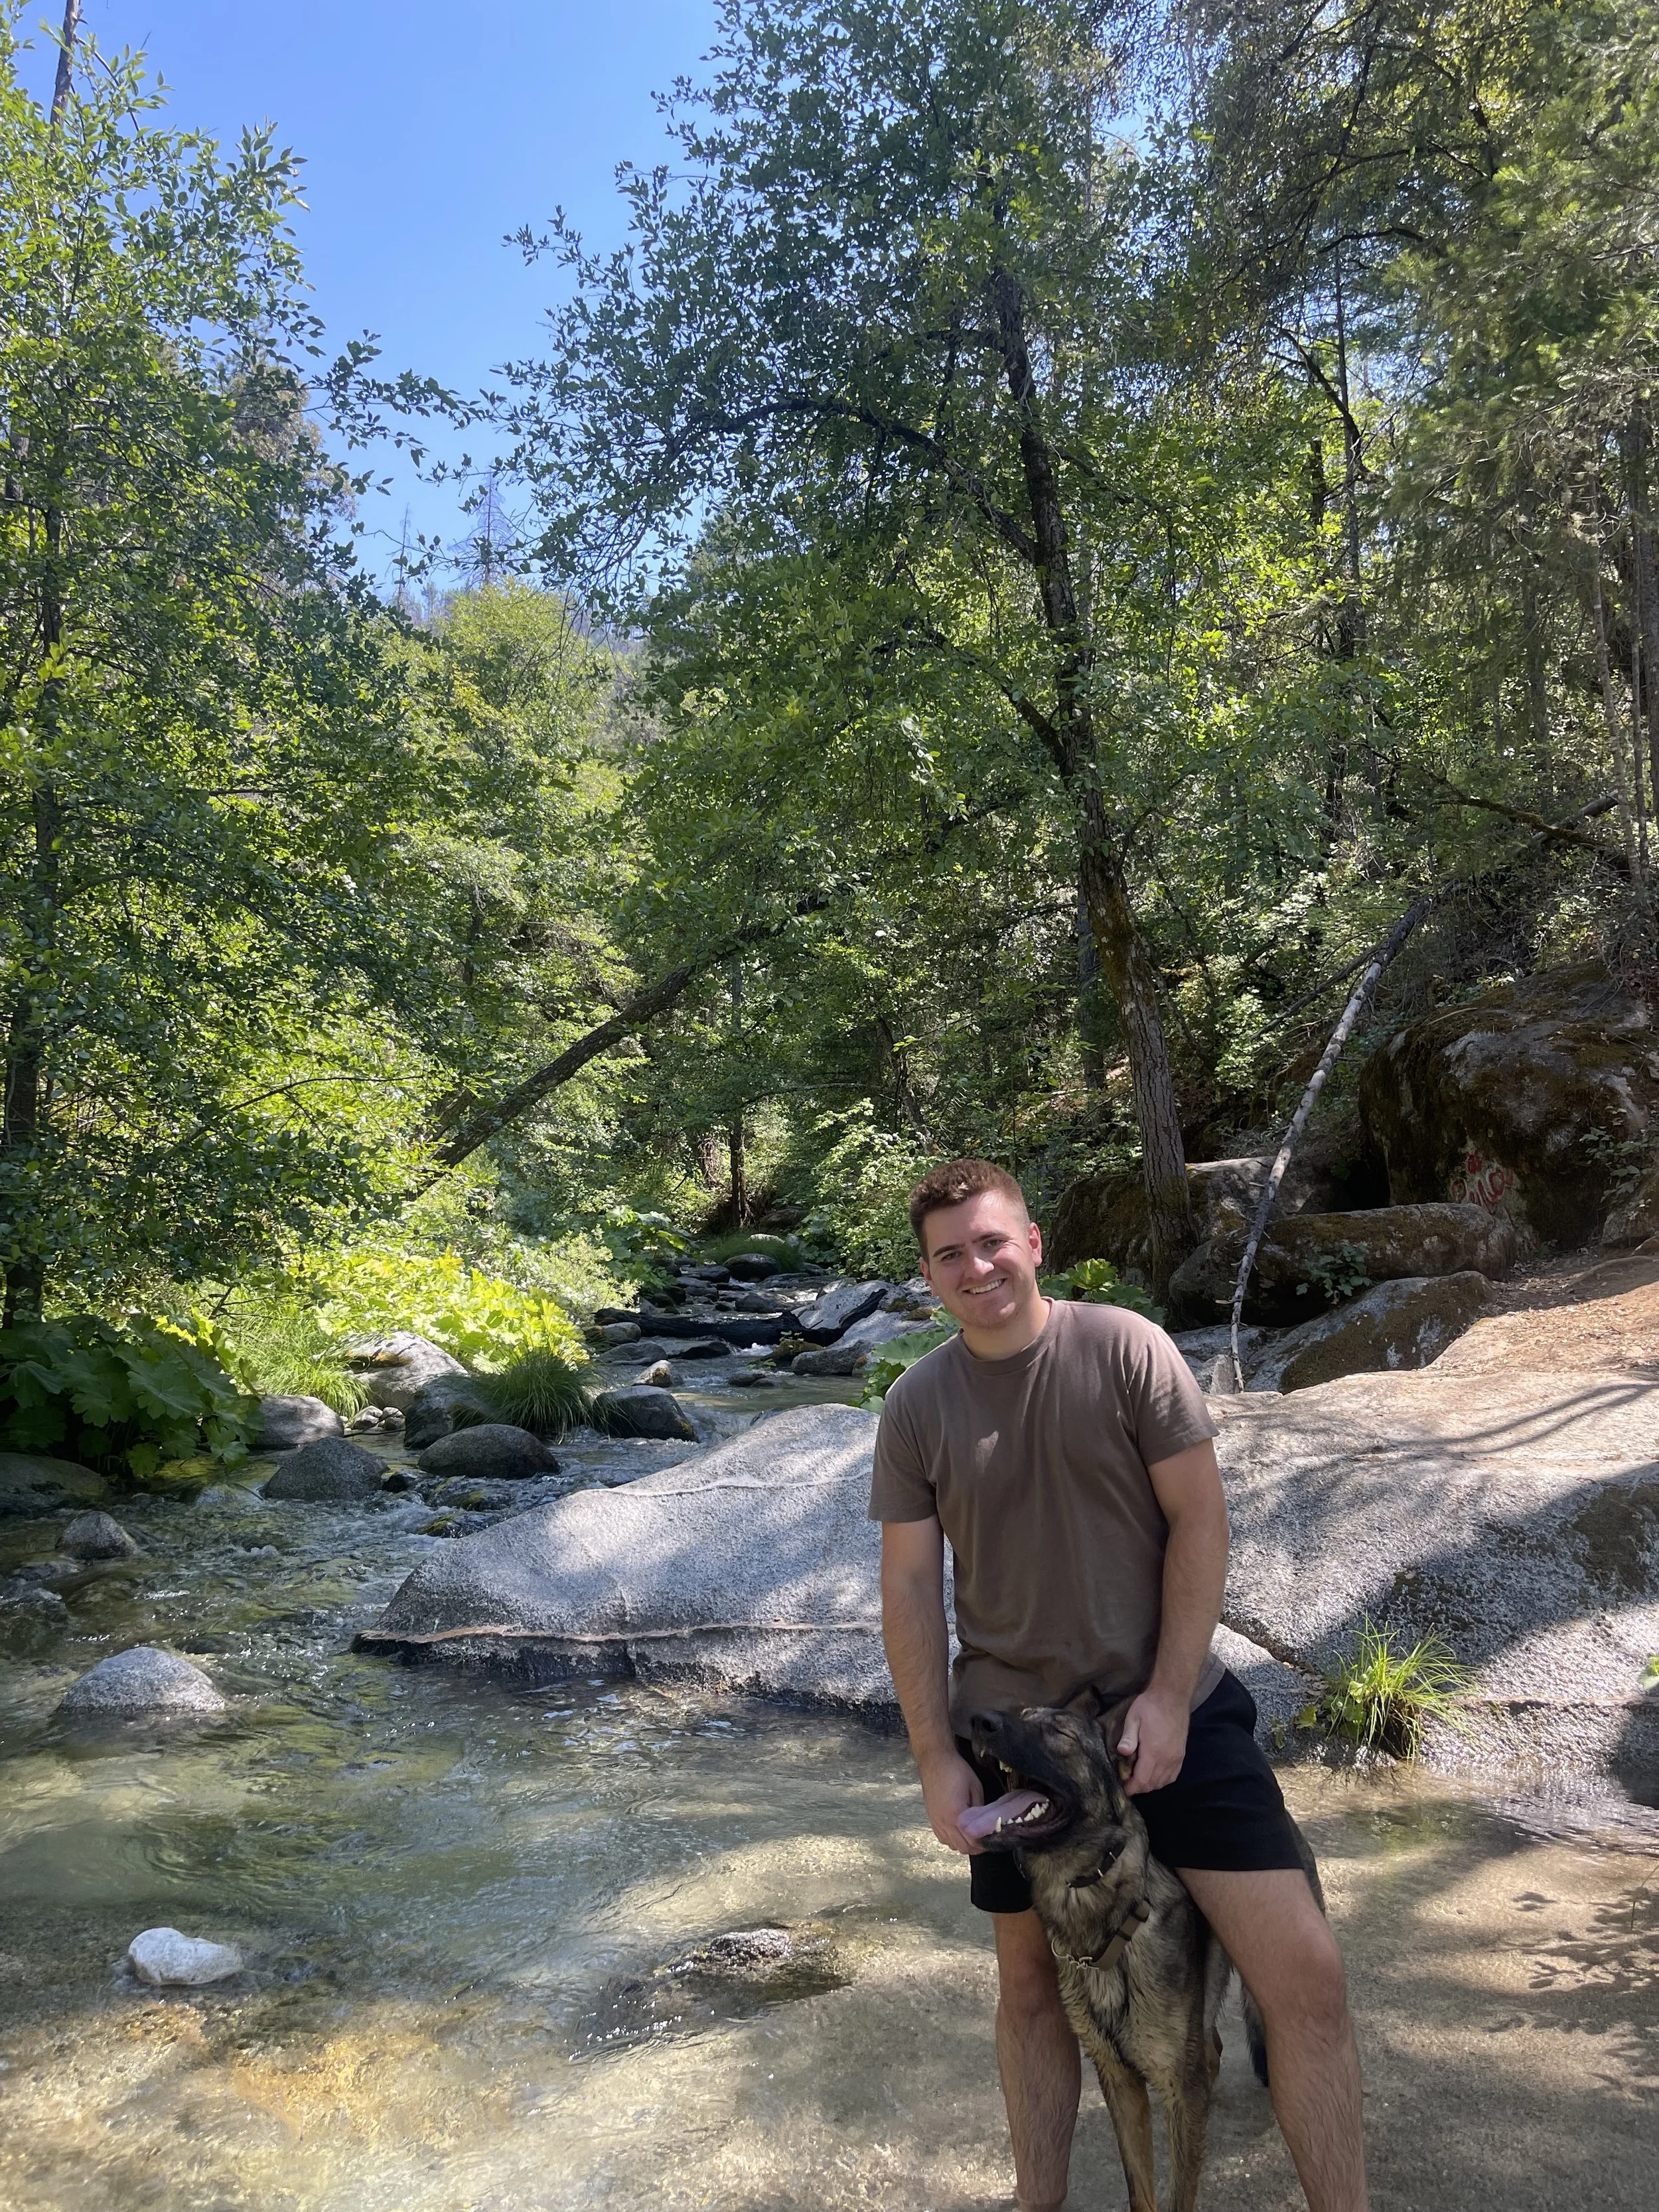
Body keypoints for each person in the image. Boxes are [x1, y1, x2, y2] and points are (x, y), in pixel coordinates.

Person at [870, 1157, 1367, 2212]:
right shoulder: (916, 1406)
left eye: (993, 1241)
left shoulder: (1128, 1349)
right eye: (950, 1255)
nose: (977, 1266)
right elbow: (911, 1584)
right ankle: (1038, 2201)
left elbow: (1202, 1518)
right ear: (927, 1278)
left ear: (1035, 1241)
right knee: (1031, 1995)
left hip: (1166, 1705)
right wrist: (934, 1759)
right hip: (1015, 1741)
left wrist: (1173, 1695)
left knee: (1305, 1978)